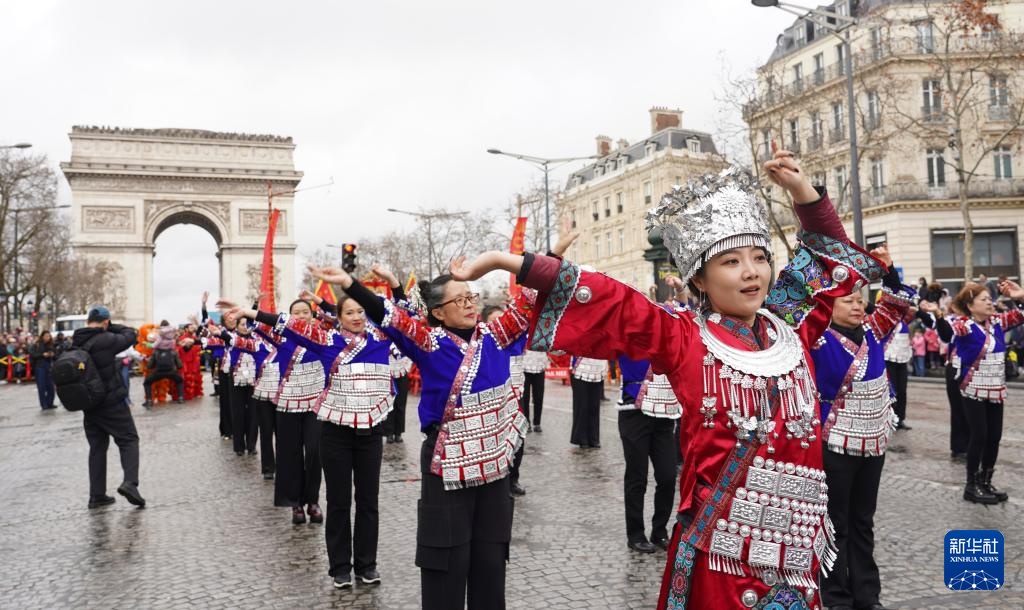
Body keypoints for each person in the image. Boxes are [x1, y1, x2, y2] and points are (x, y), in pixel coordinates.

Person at [446, 154, 888, 609]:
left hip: (794, 556)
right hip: (722, 556)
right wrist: (501, 260)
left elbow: (827, 260)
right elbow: (607, 298)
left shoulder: (791, 325)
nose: (752, 272)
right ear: (700, 279)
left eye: (760, 258)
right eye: (731, 261)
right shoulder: (681, 337)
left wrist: (803, 192)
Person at [307, 262, 532, 610]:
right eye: (460, 300)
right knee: (446, 556)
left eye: (471, 297)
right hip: (447, 459)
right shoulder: (429, 341)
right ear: (438, 312)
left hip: (494, 462)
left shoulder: (496, 335)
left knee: (491, 557)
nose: (470, 304)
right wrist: (351, 284)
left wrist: (546, 256)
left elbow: (529, 302)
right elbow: (390, 317)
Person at [226, 274, 403, 589]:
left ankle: (367, 565)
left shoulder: (381, 339)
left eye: (361, 311)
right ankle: (340, 568)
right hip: (335, 434)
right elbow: (287, 325)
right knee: (338, 502)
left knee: (368, 502)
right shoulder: (326, 340)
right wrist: (250, 312)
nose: (357, 317)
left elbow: (402, 314)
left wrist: (394, 283)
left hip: (370, 435)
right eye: (350, 312)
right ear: (338, 318)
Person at [811, 252, 912, 610]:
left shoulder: (872, 331)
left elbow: (896, 303)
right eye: (848, 300)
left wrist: (888, 270)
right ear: (829, 305)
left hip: (873, 441)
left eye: (860, 299)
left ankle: (867, 595)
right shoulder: (816, 338)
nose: (858, 306)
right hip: (834, 442)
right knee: (836, 522)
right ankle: (836, 595)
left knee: (863, 521)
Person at [934, 281, 1024, 504]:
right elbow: (947, 334)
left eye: (990, 299)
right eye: (984, 300)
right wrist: (938, 316)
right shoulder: (964, 324)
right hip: (972, 388)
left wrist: (1020, 296)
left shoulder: (997, 322)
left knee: (994, 436)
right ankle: (971, 485)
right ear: (970, 305)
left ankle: (986, 481)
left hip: (996, 388)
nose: (989, 303)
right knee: (980, 435)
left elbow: (1020, 315)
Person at [73, 306, 145, 509]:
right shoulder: (105, 339)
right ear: (105, 322)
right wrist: (111, 327)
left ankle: (96, 495)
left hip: (90, 405)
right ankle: (130, 483)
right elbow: (131, 334)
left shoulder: (76, 341)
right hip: (111, 402)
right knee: (128, 439)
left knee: (97, 448)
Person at [616, 349, 682, 554]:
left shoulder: (671, 336)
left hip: (664, 412)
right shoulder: (632, 335)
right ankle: (635, 534)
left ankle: (659, 531)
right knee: (637, 476)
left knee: (668, 476)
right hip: (634, 411)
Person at [882, 307, 914, 430]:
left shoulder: (905, 320)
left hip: (902, 359)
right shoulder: (888, 319)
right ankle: (889, 418)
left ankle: (900, 418)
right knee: (891, 390)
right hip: (889, 359)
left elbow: (917, 313)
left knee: (902, 390)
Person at [570, 356, 607, 448]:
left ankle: (594, 438)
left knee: (594, 406)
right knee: (582, 406)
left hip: (598, 368)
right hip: (581, 367)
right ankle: (582, 438)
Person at [142, 339, 185, 408]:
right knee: (180, 380)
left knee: (147, 382)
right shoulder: (173, 351)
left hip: (158, 372)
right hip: (171, 372)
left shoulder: (155, 352)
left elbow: (150, 366)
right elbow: (179, 365)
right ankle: (181, 398)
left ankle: (149, 400)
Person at [519, 346, 549, 433]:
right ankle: (526, 422)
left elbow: (550, 345)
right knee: (525, 397)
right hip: (524, 367)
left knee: (539, 397)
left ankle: (537, 423)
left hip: (540, 366)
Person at [30, 330, 58, 409]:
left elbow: (56, 355)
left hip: (49, 367)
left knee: (51, 387)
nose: (47, 337)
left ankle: (50, 403)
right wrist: (42, 355)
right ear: (42, 336)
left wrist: (52, 354)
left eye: (48, 336)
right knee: (41, 387)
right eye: (46, 336)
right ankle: (44, 404)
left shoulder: (51, 345)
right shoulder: (37, 344)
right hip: (40, 367)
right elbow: (32, 355)